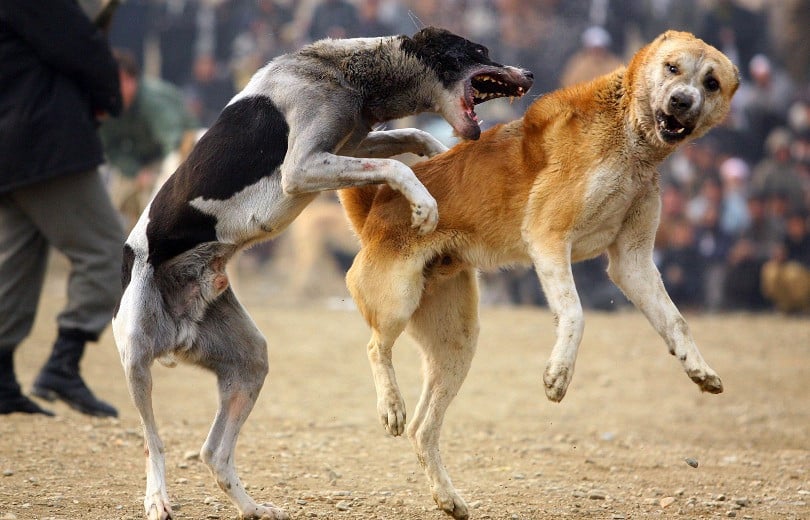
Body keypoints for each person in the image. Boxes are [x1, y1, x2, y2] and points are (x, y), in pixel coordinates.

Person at [0, 1, 124, 416]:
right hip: (41, 139)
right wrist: (109, 93)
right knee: (108, 250)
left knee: (16, 262)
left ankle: (1, 381)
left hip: (13, 139)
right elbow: (77, 42)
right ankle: (63, 364)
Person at [99, 49, 198, 230]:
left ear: (130, 80)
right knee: (116, 201)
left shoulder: (152, 100)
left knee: (162, 203)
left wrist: (164, 178)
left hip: (182, 156)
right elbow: (111, 150)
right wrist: (136, 171)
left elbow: (174, 143)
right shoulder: (109, 105)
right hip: (142, 162)